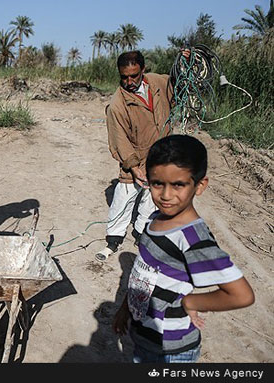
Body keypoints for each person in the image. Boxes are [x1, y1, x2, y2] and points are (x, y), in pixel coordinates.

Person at [113, 134, 254, 363]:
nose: (166, 195)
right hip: (144, 338)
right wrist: (125, 309)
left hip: (172, 351)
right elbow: (144, 274)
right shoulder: (153, 219)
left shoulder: (193, 239)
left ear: (199, 186)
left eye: (178, 185)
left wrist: (191, 302)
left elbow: (241, 294)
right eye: (158, 183)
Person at [96, 50, 177, 261]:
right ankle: (113, 240)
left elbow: (178, 84)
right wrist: (133, 167)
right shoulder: (117, 105)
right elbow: (119, 139)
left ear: (143, 69)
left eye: (134, 75)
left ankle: (142, 233)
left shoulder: (159, 82)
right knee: (124, 197)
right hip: (134, 157)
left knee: (152, 198)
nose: (129, 81)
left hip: (161, 155)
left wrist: (185, 62)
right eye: (124, 77)